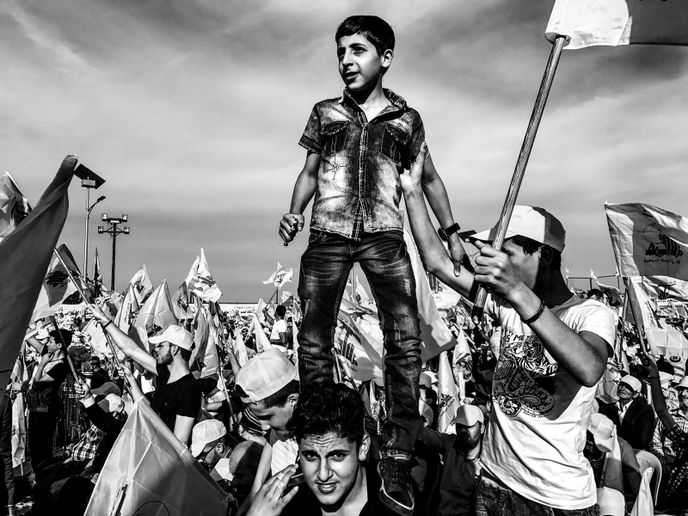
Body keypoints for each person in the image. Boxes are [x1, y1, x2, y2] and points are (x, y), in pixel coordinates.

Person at [277, 15, 463, 515]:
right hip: (327, 232)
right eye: (341, 51)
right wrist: (294, 212)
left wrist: (451, 233)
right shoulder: (325, 113)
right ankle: (318, 437)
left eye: (357, 50)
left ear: (385, 58)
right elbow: (309, 171)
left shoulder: (407, 120)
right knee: (313, 336)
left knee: (404, 336)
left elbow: (430, 179)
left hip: (384, 233)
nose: (346, 60)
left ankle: (398, 453)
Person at [401, 152, 616, 515]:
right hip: (495, 483)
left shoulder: (590, 314)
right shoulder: (506, 306)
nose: (494, 261)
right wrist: (411, 191)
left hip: (555, 501)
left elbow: (590, 367)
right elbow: (438, 262)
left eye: (507, 253)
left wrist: (517, 291)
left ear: (543, 256)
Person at [248, 383, 399, 516]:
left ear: (362, 447)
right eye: (311, 456)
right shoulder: (289, 505)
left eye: (337, 455)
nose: (323, 474)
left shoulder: (395, 505)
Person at [90, 305, 201, 445]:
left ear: (174, 349)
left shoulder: (188, 389)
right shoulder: (164, 373)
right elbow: (131, 349)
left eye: (161, 346)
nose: (156, 349)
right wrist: (105, 321)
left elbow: (179, 443)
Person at [235, 349, 300, 509]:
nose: (264, 427)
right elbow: (256, 490)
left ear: (292, 400)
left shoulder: (318, 439)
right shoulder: (278, 431)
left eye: (267, 417)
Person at [416, 404, 485, 516]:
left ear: (482, 428)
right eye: (459, 426)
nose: (463, 430)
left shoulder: (489, 460)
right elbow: (421, 433)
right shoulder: (450, 444)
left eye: (469, 426)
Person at [643, 357, 687, 511]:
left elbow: (661, 409)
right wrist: (654, 375)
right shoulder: (683, 439)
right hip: (674, 497)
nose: (684, 394)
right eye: (682, 391)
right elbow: (661, 410)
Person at [26, 328, 71, 476]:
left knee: (41, 447)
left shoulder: (62, 365)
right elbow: (30, 339)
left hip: (45, 410)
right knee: (33, 445)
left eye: (50, 341)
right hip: (35, 408)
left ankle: (42, 478)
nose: (47, 343)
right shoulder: (49, 354)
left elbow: (38, 383)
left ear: (59, 345)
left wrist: (42, 364)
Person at [599, 374, 655, 450]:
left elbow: (642, 440)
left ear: (635, 394)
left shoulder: (644, 411)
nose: (622, 388)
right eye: (621, 385)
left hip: (633, 451)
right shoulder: (606, 408)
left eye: (628, 388)